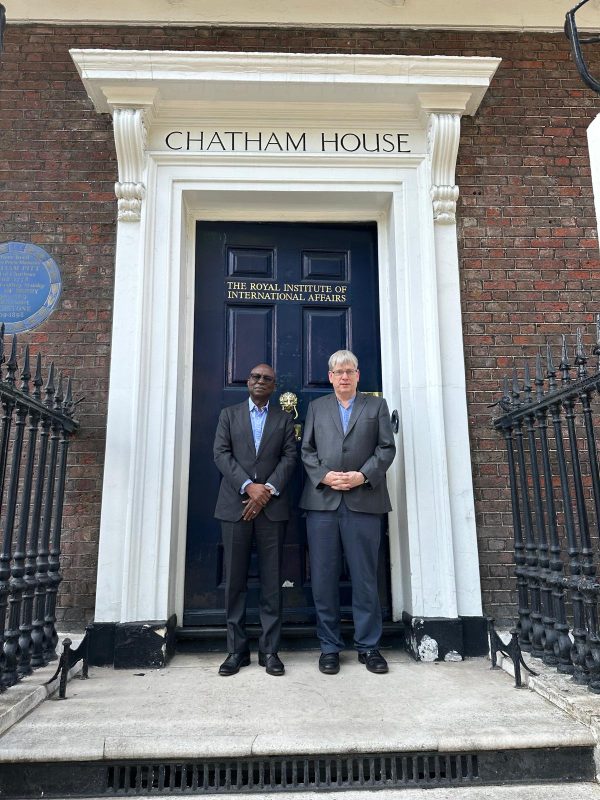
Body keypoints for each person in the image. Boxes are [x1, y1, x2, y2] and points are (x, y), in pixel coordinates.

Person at [300, 350, 396, 675]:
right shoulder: (316, 407)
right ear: (330, 377)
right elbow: (307, 450)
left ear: (358, 375)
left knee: (365, 578)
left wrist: (363, 475)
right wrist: (324, 476)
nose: (344, 376)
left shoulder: (376, 406)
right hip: (323, 504)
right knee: (323, 578)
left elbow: (386, 447)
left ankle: (369, 647)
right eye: (338, 371)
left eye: (349, 371)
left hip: (364, 501)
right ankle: (329, 647)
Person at [213, 364, 296, 676]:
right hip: (235, 505)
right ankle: (236, 651)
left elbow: (290, 457)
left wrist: (267, 491)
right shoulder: (229, 415)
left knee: (272, 582)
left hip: (272, 509)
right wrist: (249, 487)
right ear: (247, 382)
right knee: (234, 581)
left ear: (274, 386)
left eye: (267, 379)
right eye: (255, 377)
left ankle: (270, 651)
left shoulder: (284, 419)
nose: (260, 382)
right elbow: (221, 454)